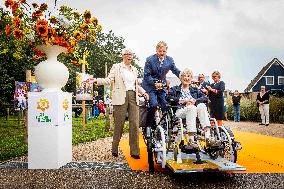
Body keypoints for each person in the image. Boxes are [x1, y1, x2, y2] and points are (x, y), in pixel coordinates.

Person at [89, 48, 149, 159]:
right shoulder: (117, 67)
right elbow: (108, 80)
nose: (129, 56)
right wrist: (96, 80)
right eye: (127, 54)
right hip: (120, 97)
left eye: (131, 54)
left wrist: (144, 92)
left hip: (133, 97)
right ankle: (114, 148)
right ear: (123, 56)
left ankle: (135, 152)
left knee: (135, 124)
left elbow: (136, 85)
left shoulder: (134, 69)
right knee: (119, 124)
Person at [167, 69, 221, 148]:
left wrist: (195, 101)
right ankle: (191, 140)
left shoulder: (195, 90)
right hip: (181, 111)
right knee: (191, 108)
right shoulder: (175, 89)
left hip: (194, 111)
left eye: (188, 76)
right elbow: (168, 97)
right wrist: (182, 101)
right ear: (181, 78)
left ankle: (208, 137)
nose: (186, 78)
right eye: (184, 76)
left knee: (201, 105)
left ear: (191, 78)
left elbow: (205, 98)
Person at [142, 41, 180, 127]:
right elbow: (146, 75)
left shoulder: (170, 60)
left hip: (161, 86)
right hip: (149, 86)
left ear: (166, 50)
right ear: (156, 50)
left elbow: (176, 71)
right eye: (160, 51)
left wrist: (184, 77)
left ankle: (165, 125)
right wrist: (155, 83)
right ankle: (148, 126)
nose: (162, 53)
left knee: (165, 105)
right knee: (153, 105)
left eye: (164, 51)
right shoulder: (149, 60)